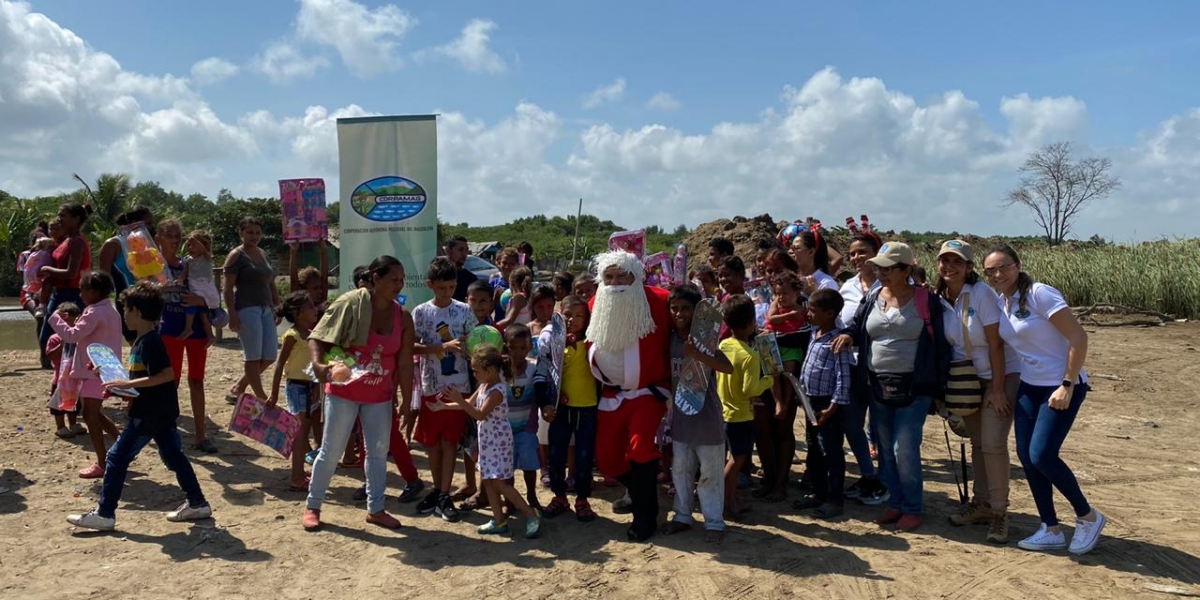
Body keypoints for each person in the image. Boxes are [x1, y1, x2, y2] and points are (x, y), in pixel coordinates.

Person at [984, 244, 1105, 555]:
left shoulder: (1040, 293)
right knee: (1026, 456)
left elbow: (1078, 336)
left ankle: (1088, 517)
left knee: (1042, 455)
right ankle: (1050, 528)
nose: (998, 274)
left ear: (1017, 265)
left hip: (1061, 385)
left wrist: (1067, 384)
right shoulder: (1003, 301)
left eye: (1004, 267)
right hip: (1030, 385)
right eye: (991, 271)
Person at [66, 282, 213, 531]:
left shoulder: (151, 342)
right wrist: (113, 380)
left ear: (135, 310)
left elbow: (166, 374)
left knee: (116, 458)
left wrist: (128, 382)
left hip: (149, 414)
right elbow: (141, 380)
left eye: (125, 310)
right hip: (160, 411)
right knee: (173, 457)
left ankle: (105, 514)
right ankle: (198, 503)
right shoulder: (142, 341)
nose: (124, 315)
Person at [833, 242, 949, 532]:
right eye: (879, 267)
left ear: (906, 270)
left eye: (888, 268)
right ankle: (895, 502)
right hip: (877, 385)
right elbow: (857, 326)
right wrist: (848, 336)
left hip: (916, 386)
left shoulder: (926, 300)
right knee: (885, 448)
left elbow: (943, 345)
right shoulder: (873, 296)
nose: (880, 272)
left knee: (903, 448)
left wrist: (940, 388)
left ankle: (912, 507)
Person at [303, 255, 413, 531]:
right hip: (344, 391)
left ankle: (376, 508)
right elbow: (317, 336)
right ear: (375, 278)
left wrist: (408, 401)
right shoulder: (350, 303)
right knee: (331, 451)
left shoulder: (403, 317)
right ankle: (313, 505)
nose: (398, 285)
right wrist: (318, 365)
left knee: (377, 452)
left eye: (402, 280)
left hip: (379, 396)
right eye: (393, 280)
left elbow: (404, 361)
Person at [935, 240, 1021, 544]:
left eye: (957, 262)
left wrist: (997, 390)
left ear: (969, 268)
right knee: (977, 444)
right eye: (945, 261)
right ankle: (981, 504)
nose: (949, 267)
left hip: (999, 375)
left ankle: (1000, 514)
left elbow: (996, 344)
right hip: (966, 380)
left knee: (994, 444)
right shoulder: (941, 298)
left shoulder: (981, 294)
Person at [586, 250, 672, 542]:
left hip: (648, 391)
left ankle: (646, 516)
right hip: (612, 394)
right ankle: (639, 492)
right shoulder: (596, 302)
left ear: (637, 275)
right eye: (609, 277)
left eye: (623, 275)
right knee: (607, 457)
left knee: (640, 449)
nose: (616, 282)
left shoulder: (660, 300)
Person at [660, 285, 732, 543]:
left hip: (707, 419)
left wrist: (699, 354)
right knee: (680, 470)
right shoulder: (670, 340)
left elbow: (728, 367)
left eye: (686, 308)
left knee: (710, 474)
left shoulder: (704, 339)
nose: (679, 313)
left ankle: (714, 522)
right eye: (674, 308)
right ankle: (682, 516)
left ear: (696, 312)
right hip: (680, 417)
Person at [448, 346, 542, 538]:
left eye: (476, 370)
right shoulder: (484, 386)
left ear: (489, 370)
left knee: (500, 483)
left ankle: (530, 515)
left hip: (498, 442)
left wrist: (459, 399)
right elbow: (470, 404)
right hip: (488, 441)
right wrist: (442, 406)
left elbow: (480, 414)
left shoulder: (498, 391)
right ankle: (499, 521)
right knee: (489, 482)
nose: (474, 374)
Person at [412, 257, 477, 521]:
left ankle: (444, 494)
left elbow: (478, 342)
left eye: (451, 287)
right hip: (430, 386)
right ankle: (438, 490)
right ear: (430, 285)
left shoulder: (464, 310)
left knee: (450, 442)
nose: (447, 292)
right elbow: (412, 347)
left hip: (458, 387)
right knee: (432, 443)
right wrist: (441, 347)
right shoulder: (421, 312)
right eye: (442, 288)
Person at [49, 271, 123, 479]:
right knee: (95, 412)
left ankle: (103, 463)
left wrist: (55, 318)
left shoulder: (94, 312)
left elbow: (71, 335)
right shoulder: (110, 310)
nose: (80, 293)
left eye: (82, 289)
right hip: (104, 368)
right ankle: (123, 446)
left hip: (94, 370)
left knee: (90, 415)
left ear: (94, 291)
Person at [837, 232, 889, 505]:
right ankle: (868, 476)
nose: (856, 258)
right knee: (852, 424)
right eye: (853, 253)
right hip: (852, 366)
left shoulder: (892, 284)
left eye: (863, 252)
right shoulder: (847, 287)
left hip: (882, 367)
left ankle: (886, 481)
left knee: (881, 427)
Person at [157, 219, 216, 453]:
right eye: (169, 235)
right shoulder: (152, 266)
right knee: (172, 382)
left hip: (197, 331)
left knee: (197, 381)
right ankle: (169, 433)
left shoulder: (192, 264)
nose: (174, 240)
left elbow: (212, 295)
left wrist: (201, 301)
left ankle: (201, 435)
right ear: (159, 238)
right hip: (169, 329)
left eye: (177, 236)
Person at [793, 289, 852, 519]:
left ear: (829, 314)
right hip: (811, 403)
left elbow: (843, 377)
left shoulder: (836, 342)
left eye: (813, 310)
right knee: (814, 450)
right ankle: (819, 493)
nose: (809, 314)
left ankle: (835, 500)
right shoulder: (815, 334)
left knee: (831, 452)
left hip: (828, 405)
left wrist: (833, 406)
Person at [717, 294, 775, 522]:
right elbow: (752, 389)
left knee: (732, 459)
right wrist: (770, 378)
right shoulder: (749, 356)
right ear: (751, 323)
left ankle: (728, 500)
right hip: (740, 415)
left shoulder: (725, 345)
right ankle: (725, 504)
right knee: (737, 461)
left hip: (724, 411)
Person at [542, 295, 599, 522]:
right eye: (567, 315)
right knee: (556, 455)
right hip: (561, 409)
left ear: (587, 319)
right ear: (559, 315)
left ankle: (582, 500)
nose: (572, 320)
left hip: (588, 408)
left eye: (579, 316)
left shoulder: (594, 343)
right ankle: (560, 497)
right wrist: (547, 401)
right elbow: (546, 376)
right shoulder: (554, 345)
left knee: (585, 458)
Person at [222, 217, 281, 403]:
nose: (254, 236)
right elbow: (227, 287)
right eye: (249, 232)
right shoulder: (236, 255)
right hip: (247, 308)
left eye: (257, 232)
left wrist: (277, 306)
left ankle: (239, 387)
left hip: (266, 308)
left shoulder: (262, 253)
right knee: (253, 356)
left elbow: (271, 282)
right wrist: (232, 314)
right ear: (241, 234)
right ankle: (261, 397)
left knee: (270, 355)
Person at [268, 291, 321, 491]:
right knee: (300, 434)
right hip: (297, 388)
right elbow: (280, 364)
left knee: (303, 432)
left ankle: (299, 473)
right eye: (310, 307)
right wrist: (273, 394)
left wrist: (317, 385)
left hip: (310, 388)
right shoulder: (293, 336)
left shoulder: (312, 333)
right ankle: (296, 478)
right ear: (298, 313)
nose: (314, 310)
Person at [38, 203, 93, 356]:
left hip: (72, 294)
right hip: (60, 292)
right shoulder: (66, 240)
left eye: (63, 215)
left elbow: (71, 273)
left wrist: (47, 270)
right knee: (48, 336)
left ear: (76, 219)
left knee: (58, 335)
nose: (59, 218)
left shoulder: (77, 242)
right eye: (59, 215)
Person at [501, 324, 543, 510]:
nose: (517, 353)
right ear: (505, 346)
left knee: (529, 464)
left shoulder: (534, 369)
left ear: (529, 348)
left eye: (522, 348)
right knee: (507, 467)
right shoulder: (499, 371)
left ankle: (532, 496)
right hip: (503, 429)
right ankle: (509, 500)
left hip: (526, 427)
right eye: (512, 348)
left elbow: (542, 393)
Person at [98, 206, 154, 343]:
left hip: (150, 301)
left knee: (152, 344)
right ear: (135, 223)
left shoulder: (149, 243)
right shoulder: (113, 244)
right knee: (137, 344)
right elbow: (102, 281)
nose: (152, 227)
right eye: (149, 223)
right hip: (127, 304)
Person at [45, 302, 84, 438]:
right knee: (58, 405)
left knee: (74, 403)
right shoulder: (54, 338)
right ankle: (60, 426)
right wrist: (62, 345)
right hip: (60, 378)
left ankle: (73, 424)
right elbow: (50, 355)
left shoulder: (79, 338)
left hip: (75, 377)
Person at [180, 230, 220, 343]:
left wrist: (201, 245)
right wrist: (181, 279)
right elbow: (185, 272)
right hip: (195, 289)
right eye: (188, 245)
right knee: (196, 311)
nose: (190, 248)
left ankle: (196, 331)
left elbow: (205, 251)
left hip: (205, 290)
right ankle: (193, 330)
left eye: (194, 245)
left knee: (200, 313)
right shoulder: (189, 260)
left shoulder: (206, 258)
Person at [289, 238, 329, 308]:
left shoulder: (321, 301)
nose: (320, 291)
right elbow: (294, 280)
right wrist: (293, 252)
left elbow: (324, 279)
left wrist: (323, 250)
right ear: (303, 289)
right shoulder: (298, 305)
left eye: (320, 287)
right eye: (315, 288)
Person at [23, 237, 56, 318]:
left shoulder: (34, 253)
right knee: (47, 281)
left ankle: (39, 298)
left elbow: (27, 266)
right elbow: (48, 264)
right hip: (38, 273)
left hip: (31, 274)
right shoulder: (45, 254)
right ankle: (41, 302)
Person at [444, 235, 478, 302]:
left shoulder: (471, 279)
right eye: (460, 250)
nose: (464, 254)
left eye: (466, 250)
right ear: (448, 251)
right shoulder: (439, 276)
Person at [489, 247, 519, 321]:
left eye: (512, 264)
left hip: (518, 327)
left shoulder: (521, 285)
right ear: (499, 263)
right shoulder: (493, 283)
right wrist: (494, 300)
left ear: (517, 265)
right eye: (504, 263)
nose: (507, 267)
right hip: (500, 326)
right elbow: (486, 312)